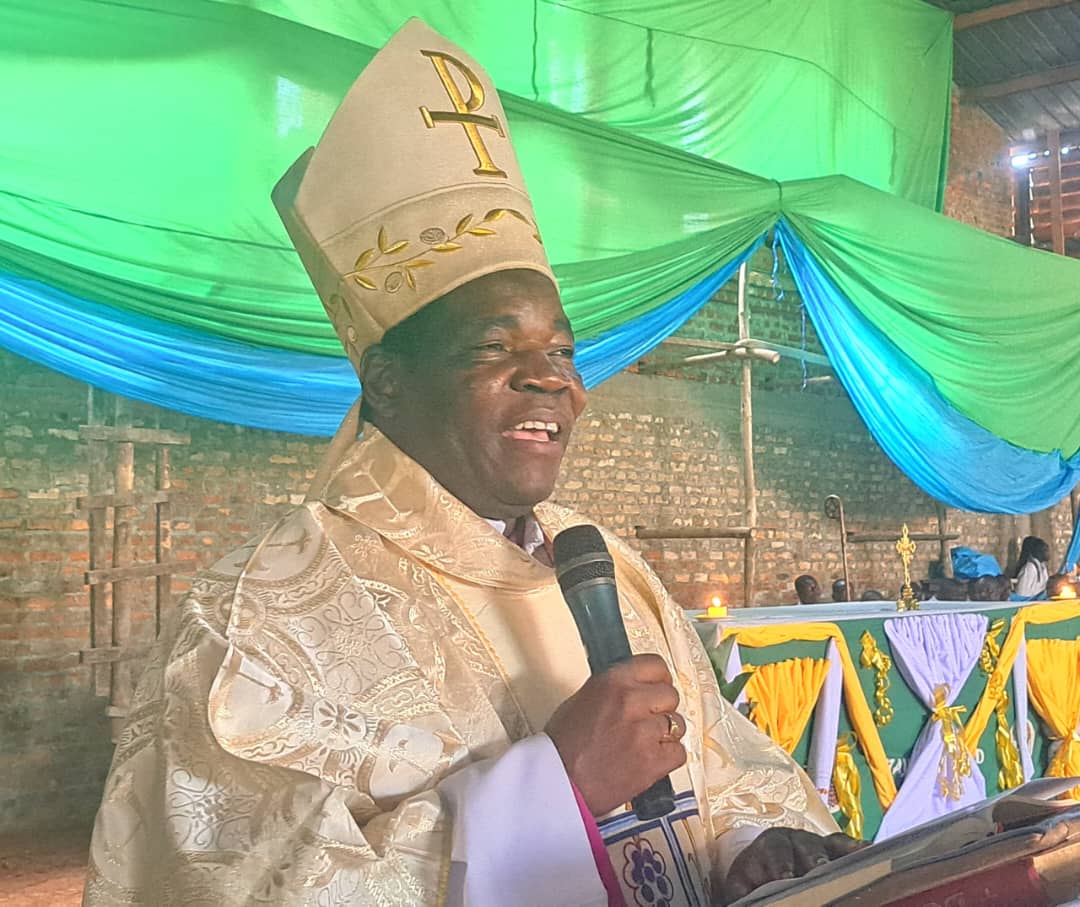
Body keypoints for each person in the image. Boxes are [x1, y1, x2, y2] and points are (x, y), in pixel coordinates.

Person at [84, 20, 854, 907]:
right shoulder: (253, 623)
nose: (550, 378)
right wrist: (553, 788)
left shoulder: (608, 572)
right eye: (495, 345)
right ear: (386, 378)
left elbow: (726, 766)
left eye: (562, 351)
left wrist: (752, 844)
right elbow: (240, 886)